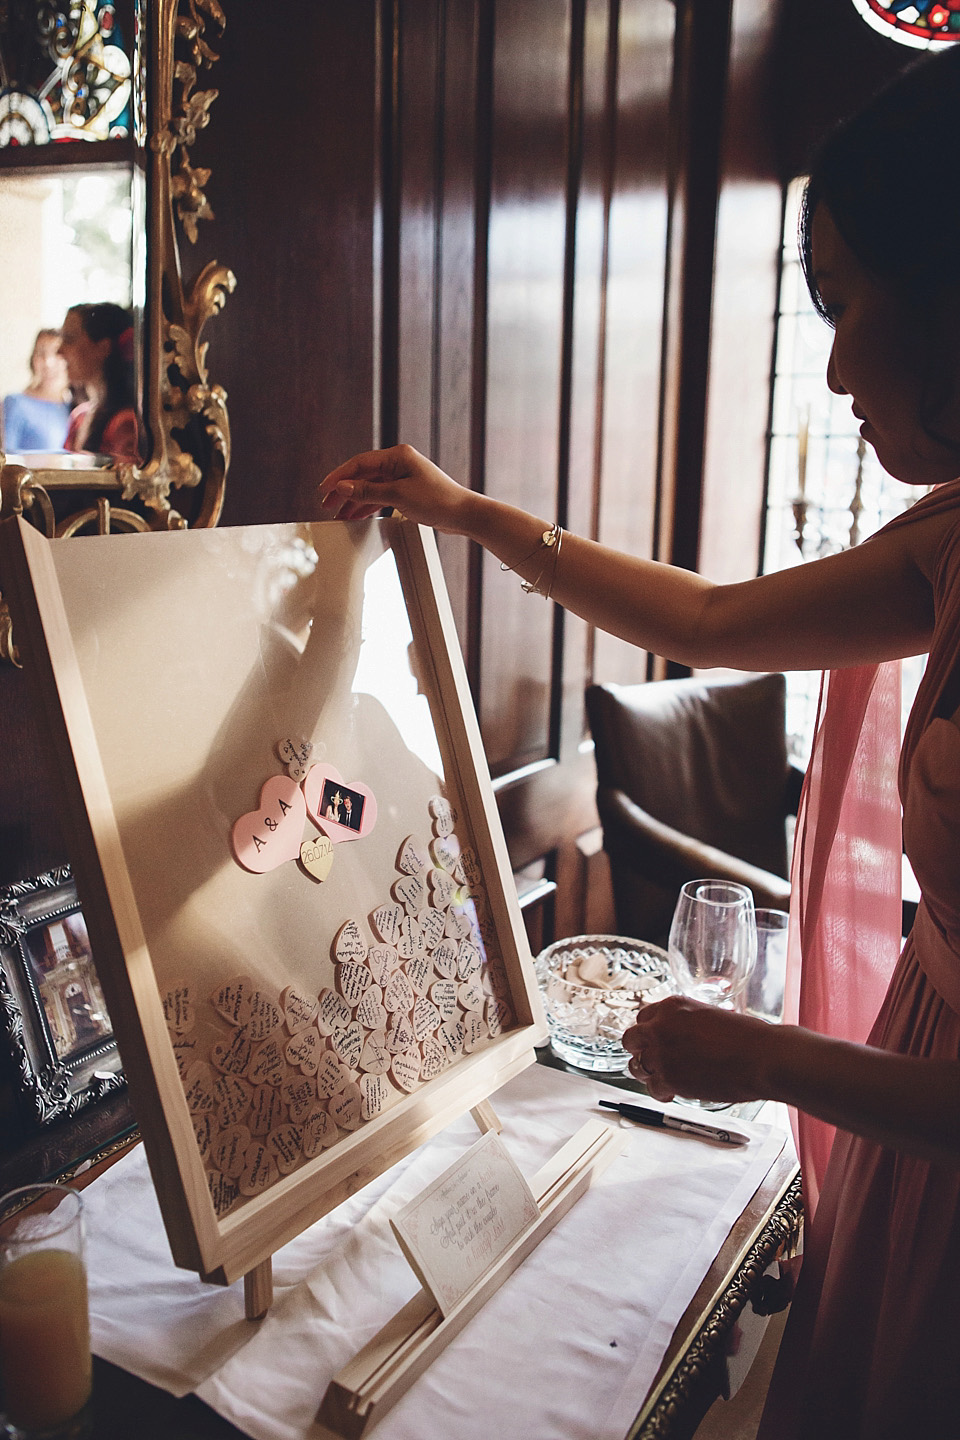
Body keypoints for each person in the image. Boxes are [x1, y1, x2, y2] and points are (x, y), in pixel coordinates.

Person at [318, 46, 960, 1439]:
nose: (838, 366)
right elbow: (719, 619)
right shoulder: (951, 536)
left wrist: (773, 1058)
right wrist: (477, 516)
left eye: (851, 308)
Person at [60, 302, 140, 465]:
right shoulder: (79, 417)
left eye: (69, 339)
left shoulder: (125, 423)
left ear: (103, 348)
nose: (59, 350)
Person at [1, 328, 71, 453]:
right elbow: (8, 457)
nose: (48, 363)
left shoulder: (75, 407)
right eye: (40, 353)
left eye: (56, 353)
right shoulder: (15, 403)